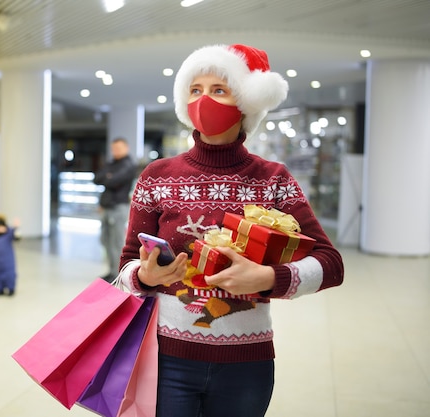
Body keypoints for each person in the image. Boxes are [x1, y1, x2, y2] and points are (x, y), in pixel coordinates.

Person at [116, 44, 344, 417]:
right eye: (195, 89)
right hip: (167, 358)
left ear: (246, 101)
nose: (204, 99)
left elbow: (331, 264)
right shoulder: (156, 177)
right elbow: (125, 268)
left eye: (218, 89)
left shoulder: (272, 179)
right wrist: (144, 275)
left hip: (246, 363)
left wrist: (269, 277)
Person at [93, 137, 137, 282]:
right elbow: (97, 178)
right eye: (114, 149)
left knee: (116, 242)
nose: (116, 151)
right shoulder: (112, 163)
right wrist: (108, 176)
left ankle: (118, 273)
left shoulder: (128, 165)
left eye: (118, 148)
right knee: (106, 241)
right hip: (106, 208)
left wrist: (108, 177)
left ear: (126, 148)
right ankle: (112, 271)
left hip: (117, 208)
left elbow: (113, 181)